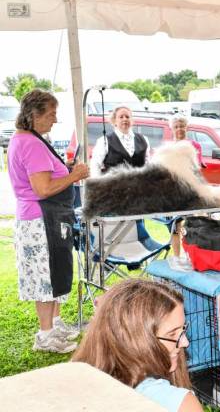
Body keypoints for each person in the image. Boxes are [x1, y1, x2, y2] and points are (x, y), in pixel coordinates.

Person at [8, 89, 89, 353]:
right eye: (51, 114)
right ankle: (45, 335)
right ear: (34, 115)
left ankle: (54, 323)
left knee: (55, 272)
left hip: (43, 218)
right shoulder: (30, 144)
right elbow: (42, 189)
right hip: (40, 219)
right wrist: (73, 175)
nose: (55, 119)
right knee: (45, 277)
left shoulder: (25, 139)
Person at [73, 279, 203, 412]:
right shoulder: (180, 404)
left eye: (183, 329)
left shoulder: (75, 385)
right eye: (172, 334)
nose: (185, 342)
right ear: (136, 339)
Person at [168, 115, 203, 266]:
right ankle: (176, 257)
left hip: (190, 191)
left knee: (192, 224)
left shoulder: (195, 145)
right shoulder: (169, 147)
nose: (179, 129)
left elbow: (197, 167)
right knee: (175, 225)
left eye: (182, 126)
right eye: (176, 126)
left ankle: (191, 255)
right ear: (172, 129)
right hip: (173, 192)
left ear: (187, 127)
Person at [90, 106, 150, 177]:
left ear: (132, 120)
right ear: (114, 121)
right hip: (112, 185)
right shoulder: (104, 141)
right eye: (121, 117)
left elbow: (147, 165)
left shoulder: (144, 139)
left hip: (138, 185)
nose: (125, 119)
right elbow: (95, 164)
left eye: (127, 117)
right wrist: (98, 184)